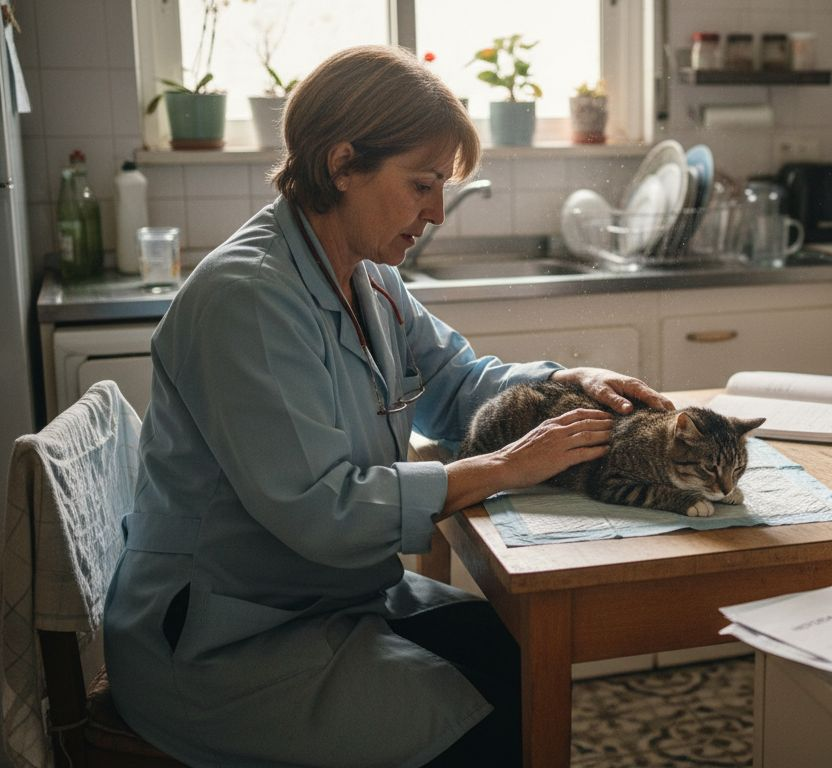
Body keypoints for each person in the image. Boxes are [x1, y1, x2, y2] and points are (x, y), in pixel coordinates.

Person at [103, 45, 672, 768]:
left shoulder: (367, 273)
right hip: (226, 639)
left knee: (516, 661)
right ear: (342, 165)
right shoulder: (245, 298)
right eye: (422, 185)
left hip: (323, 599)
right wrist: (503, 467)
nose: (436, 213)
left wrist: (567, 380)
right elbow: (324, 510)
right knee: (485, 727)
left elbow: (459, 383)